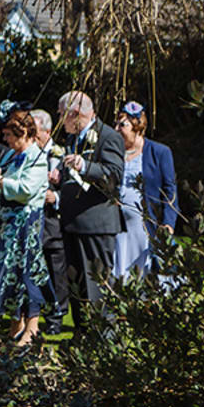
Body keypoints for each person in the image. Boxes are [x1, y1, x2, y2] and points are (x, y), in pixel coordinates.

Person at [0, 109, 53, 345]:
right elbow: (2, 182)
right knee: (9, 274)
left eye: (10, 135)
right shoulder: (12, 155)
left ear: (23, 133)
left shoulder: (38, 157)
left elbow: (27, 190)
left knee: (27, 272)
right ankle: (15, 324)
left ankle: (32, 326)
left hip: (26, 227)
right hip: (6, 227)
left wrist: (1, 180)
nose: (6, 140)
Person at [54, 90, 126, 332]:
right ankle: (82, 334)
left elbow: (114, 176)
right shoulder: (73, 138)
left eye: (62, 115)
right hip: (72, 223)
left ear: (75, 114)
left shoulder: (108, 137)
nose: (60, 120)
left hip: (96, 224)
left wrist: (85, 165)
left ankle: (104, 339)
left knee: (97, 285)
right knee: (76, 284)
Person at [113, 101, 179, 277]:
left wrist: (168, 223)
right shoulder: (113, 153)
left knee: (146, 275)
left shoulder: (159, 152)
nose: (117, 128)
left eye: (122, 124)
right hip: (117, 227)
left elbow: (170, 190)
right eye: (116, 124)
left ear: (137, 127)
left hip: (145, 227)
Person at [31, 109, 70, 333]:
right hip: (33, 220)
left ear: (47, 131)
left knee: (56, 270)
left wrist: (56, 198)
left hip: (54, 221)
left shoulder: (61, 153)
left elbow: (75, 187)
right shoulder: (29, 152)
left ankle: (57, 316)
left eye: (35, 132)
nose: (32, 136)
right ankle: (35, 313)